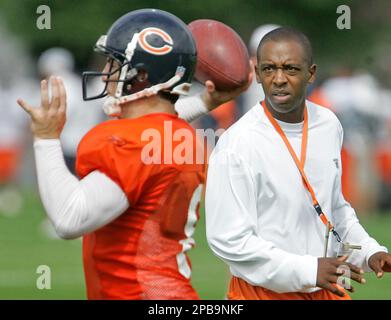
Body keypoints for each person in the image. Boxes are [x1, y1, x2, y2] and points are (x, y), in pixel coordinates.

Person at [17, 9, 250, 299]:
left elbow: (69, 218)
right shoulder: (181, 136)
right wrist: (205, 101)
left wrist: (46, 139)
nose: (105, 74)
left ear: (140, 75)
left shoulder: (132, 143)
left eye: (115, 65)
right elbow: (163, 126)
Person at [205, 27, 391, 300]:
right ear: (256, 74)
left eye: (290, 69)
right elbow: (228, 240)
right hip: (263, 294)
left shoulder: (328, 124)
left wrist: (368, 250)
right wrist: (308, 269)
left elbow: (333, 208)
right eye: (269, 69)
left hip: (325, 287)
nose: (279, 79)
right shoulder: (237, 143)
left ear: (311, 73)